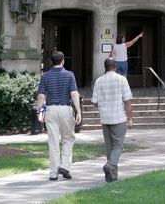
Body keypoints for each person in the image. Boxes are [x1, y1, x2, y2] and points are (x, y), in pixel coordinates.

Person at [35, 51, 83, 181]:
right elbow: (74, 94)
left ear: (51, 62)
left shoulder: (45, 76)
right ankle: (65, 167)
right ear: (63, 61)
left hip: (50, 109)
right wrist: (78, 111)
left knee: (53, 141)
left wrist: (40, 112)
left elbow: (40, 96)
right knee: (68, 138)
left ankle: (53, 173)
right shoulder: (69, 75)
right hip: (65, 109)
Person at [92, 57, 134, 183]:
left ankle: (113, 175)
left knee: (109, 146)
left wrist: (103, 103)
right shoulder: (122, 79)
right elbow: (127, 101)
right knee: (118, 146)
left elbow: (94, 102)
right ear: (115, 67)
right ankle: (110, 166)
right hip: (118, 117)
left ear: (105, 68)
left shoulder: (99, 81)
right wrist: (130, 118)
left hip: (105, 117)